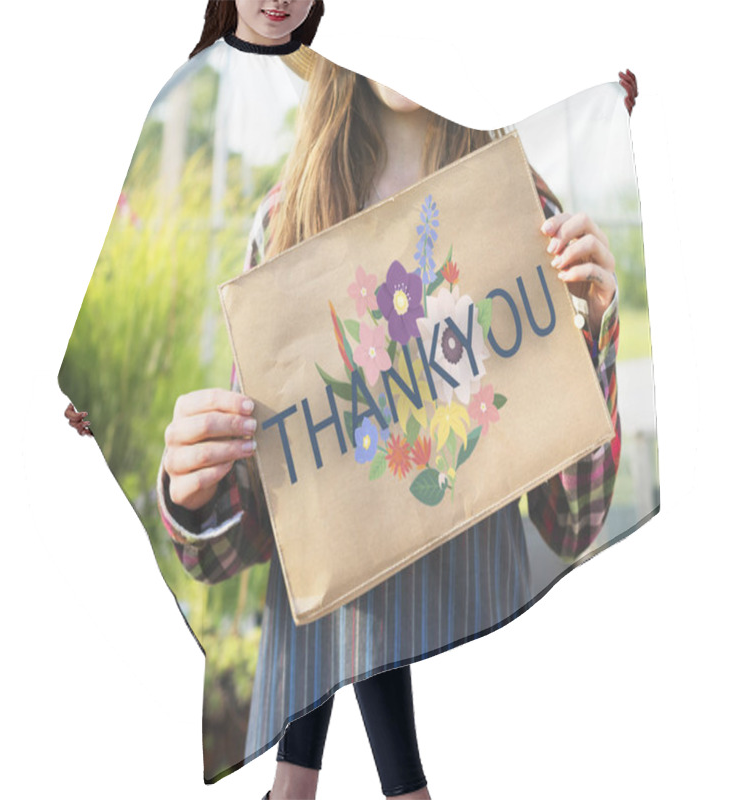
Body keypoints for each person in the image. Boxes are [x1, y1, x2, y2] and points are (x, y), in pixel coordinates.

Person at [66, 2, 622, 796]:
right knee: (337, 513)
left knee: (356, 508)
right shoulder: (286, 226)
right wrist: (195, 491)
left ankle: (306, 785)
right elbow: (263, 538)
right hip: (362, 627)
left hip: (482, 638)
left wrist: (592, 339)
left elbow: (573, 523)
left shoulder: (527, 216)